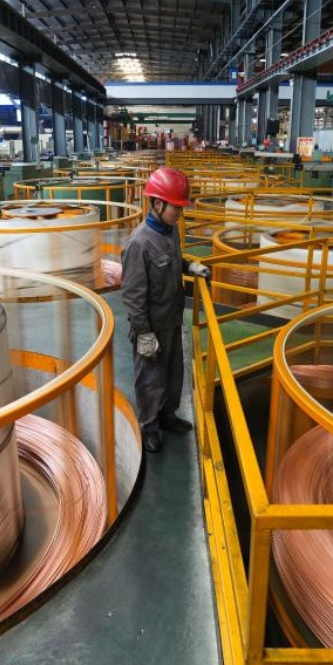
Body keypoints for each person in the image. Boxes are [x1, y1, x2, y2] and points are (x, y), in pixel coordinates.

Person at [121, 166, 211, 454]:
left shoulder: (170, 232)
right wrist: (144, 334)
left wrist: (190, 267)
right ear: (158, 203)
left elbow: (174, 260)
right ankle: (150, 427)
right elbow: (133, 296)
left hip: (172, 319)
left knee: (173, 374)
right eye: (176, 207)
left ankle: (168, 415)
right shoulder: (138, 244)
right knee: (150, 379)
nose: (180, 213)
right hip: (150, 326)